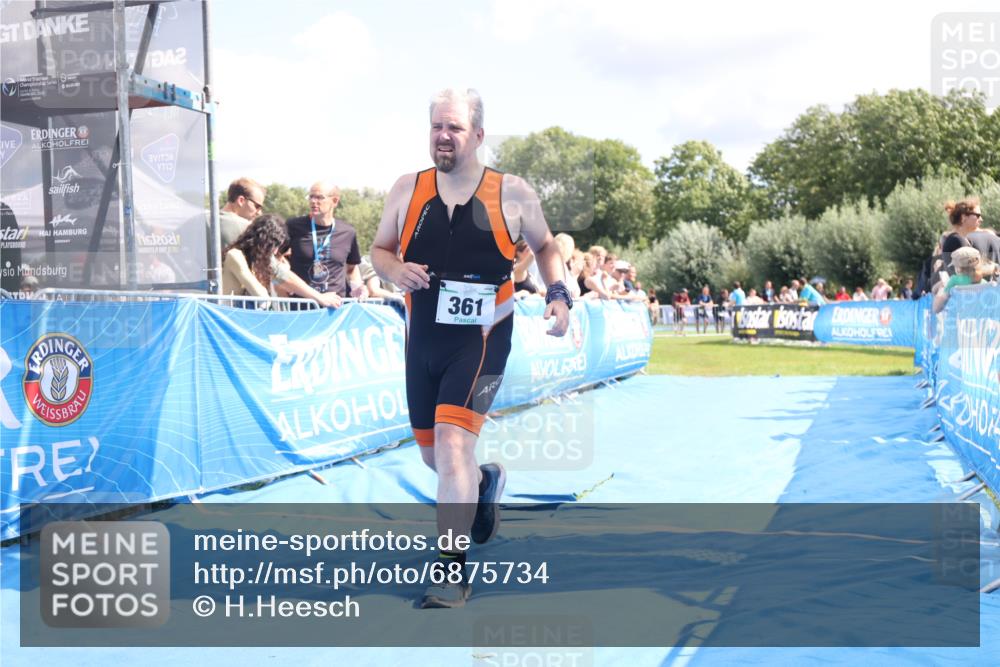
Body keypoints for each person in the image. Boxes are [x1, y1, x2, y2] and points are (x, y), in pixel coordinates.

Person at [370, 88, 570, 608]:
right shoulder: (405, 189)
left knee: (454, 443)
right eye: (437, 126)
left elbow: (547, 246)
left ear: (478, 135)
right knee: (436, 457)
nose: (443, 135)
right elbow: (379, 250)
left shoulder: (513, 192)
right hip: (425, 339)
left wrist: (557, 293)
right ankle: (484, 483)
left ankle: (451, 573)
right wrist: (395, 271)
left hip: (484, 337)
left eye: (454, 127)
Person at [222, 214, 341, 309]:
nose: (275, 252)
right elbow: (261, 296)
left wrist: (319, 297)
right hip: (230, 321)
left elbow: (286, 277)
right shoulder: (235, 255)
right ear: (264, 242)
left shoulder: (260, 259)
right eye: (274, 246)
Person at [287, 182, 367, 299]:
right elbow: (277, 259)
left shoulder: (347, 232)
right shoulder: (293, 226)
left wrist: (357, 287)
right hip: (302, 308)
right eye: (311, 197)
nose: (313, 201)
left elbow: (351, 268)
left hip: (335, 309)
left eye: (319, 197)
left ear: (334, 201)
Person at [932, 247, 991, 313]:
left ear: (958, 269)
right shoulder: (985, 283)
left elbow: (936, 308)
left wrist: (943, 287)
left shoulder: (954, 281)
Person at [219, 178, 266, 248]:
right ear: (241, 200)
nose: (259, 213)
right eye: (257, 206)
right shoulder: (246, 229)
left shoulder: (201, 220)